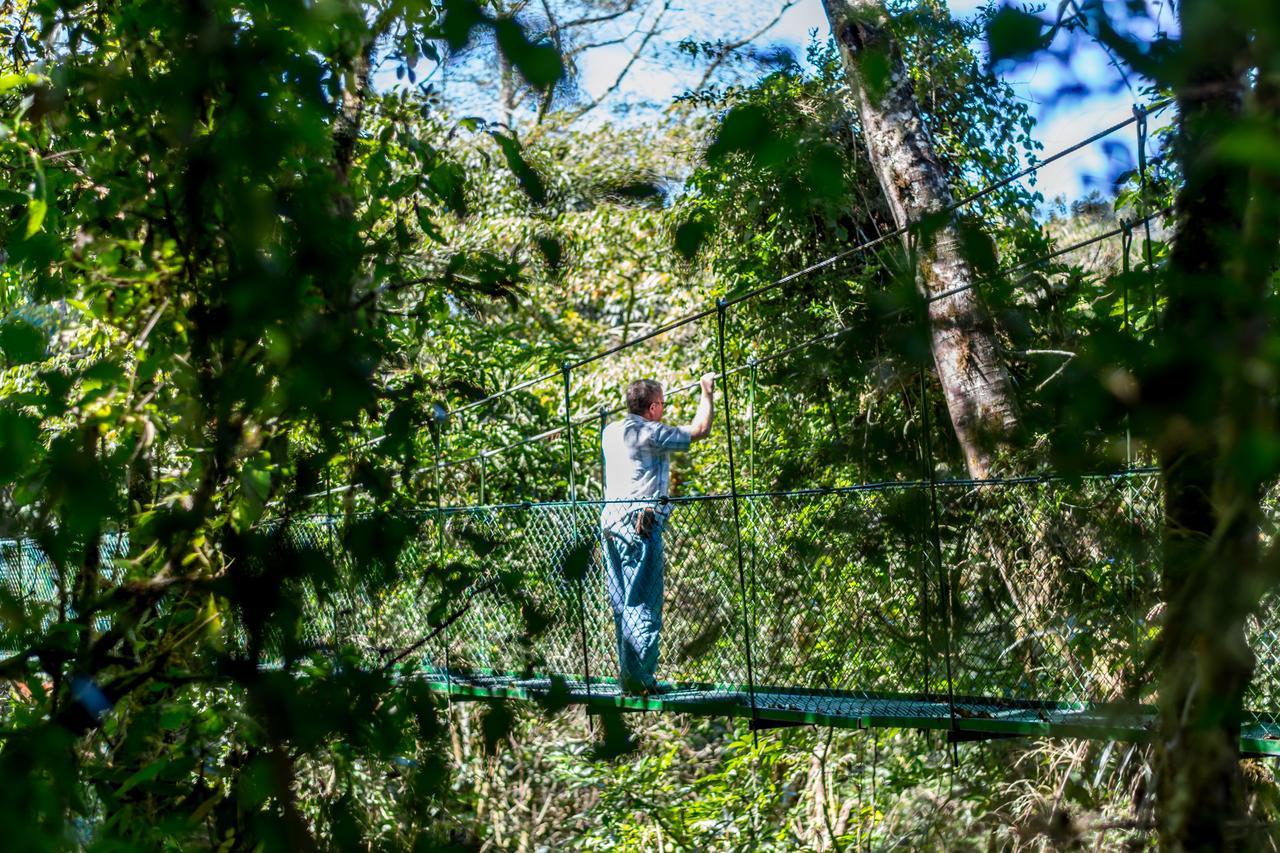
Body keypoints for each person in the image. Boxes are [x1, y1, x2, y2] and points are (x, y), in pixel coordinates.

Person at [600, 374, 715, 696]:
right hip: (640, 524)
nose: (663, 410)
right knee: (644, 605)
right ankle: (641, 682)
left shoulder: (609, 432)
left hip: (610, 523)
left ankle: (630, 677)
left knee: (623, 605)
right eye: (662, 405)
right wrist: (706, 392)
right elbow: (700, 430)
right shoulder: (650, 432)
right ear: (652, 407)